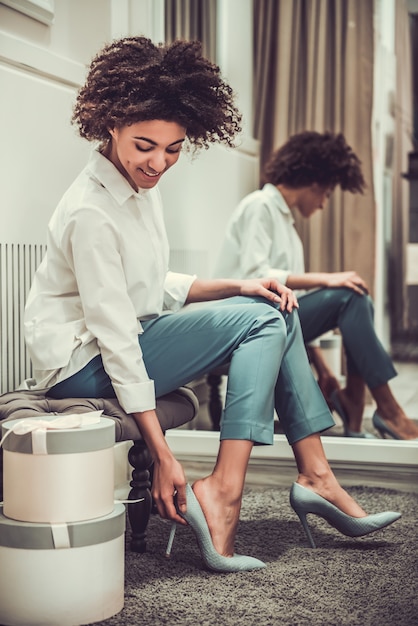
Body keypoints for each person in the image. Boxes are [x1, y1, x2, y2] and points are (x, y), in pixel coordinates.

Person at [24, 38, 400, 573]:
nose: (158, 163)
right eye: (145, 145)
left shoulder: (137, 187)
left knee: (273, 304)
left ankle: (315, 475)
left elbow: (152, 285)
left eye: (173, 148)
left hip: (122, 342)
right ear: (109, 125)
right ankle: (227, 490)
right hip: (83, 368)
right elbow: (116, 339)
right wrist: (163, 454)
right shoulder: (92, 211)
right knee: (263, 321)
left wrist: (242, 286)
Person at [214, 130, 418, 441]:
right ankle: (387, 409)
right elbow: (257, 276)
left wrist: (323, 370)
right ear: (315, 183)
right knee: (348, 295)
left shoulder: (288, 227)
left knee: (353, 295)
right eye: (327, 194)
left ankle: (356, 401)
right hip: (242, 321)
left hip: (274, 318)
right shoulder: (260, 206)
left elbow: (289, 303)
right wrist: (328, 277)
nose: (323, 204)